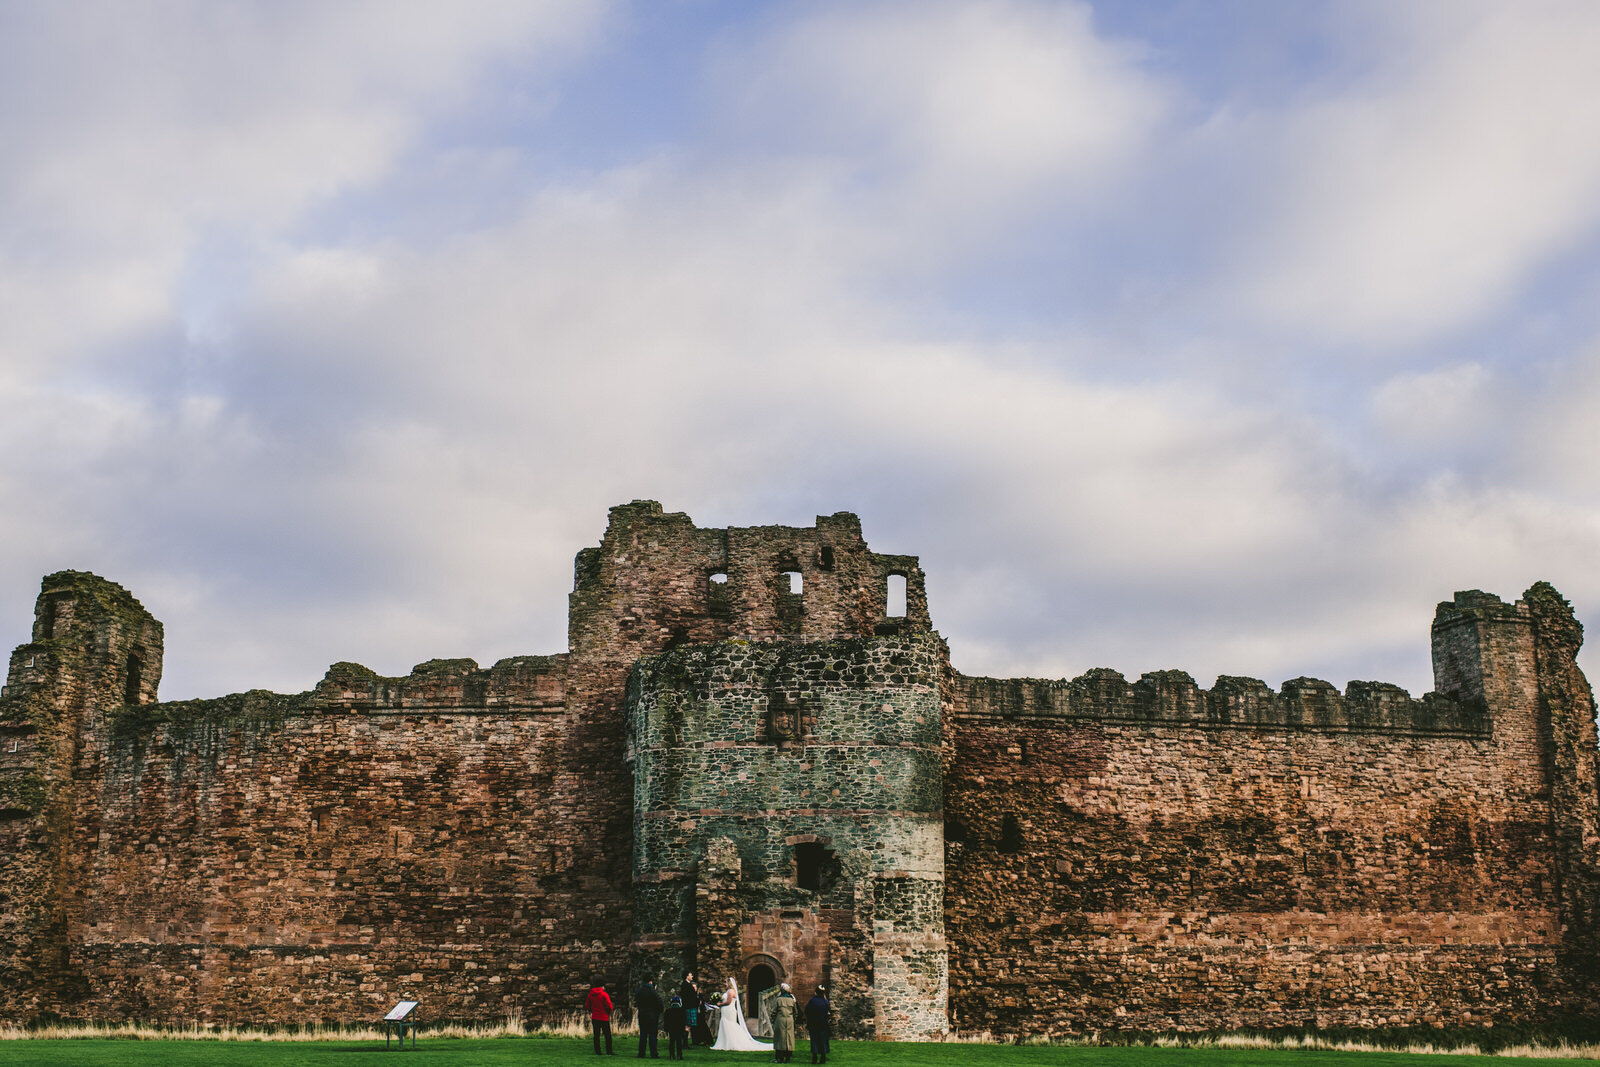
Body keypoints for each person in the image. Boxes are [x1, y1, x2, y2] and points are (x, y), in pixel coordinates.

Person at [710, 976, 772, 1052]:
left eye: (726, 982)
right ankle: (726, 1042)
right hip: (728, 1010)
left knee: (729, 1024)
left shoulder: (730, 991)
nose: (725, 984)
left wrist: (720, 1004)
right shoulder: (731, 991)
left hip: (728, 1009)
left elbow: (728, 1002)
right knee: (727, 1024)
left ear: (729, 983)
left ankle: (730, 1043)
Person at [636, 979, 665, 1059]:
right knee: (652, 1035)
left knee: (643, 1035)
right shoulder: (653, 991)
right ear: (650, 981)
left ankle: (641, 1053)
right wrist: (658, 1011)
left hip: (642, 1014)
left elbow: (636, 1001)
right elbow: (659, 1002)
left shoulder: (640, 991)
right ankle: (654, 1053)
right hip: (652, 1015)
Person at [769, 983, 798, 1064]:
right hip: (790, 1020)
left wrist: (773, 1020)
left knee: (779, 1039)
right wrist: (793, 1020)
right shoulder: (792, 1000)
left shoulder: (779, 999)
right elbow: (796, 1012)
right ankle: (788, 1058)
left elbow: (774, 1011)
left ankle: (779, 1058)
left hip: (780, 1020)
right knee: (789, 1039)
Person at [587, 982, 615, 1055]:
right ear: (602, 986)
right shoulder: (604, 994)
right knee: (607, 1036)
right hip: (604, 1017)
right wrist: (608, 1013)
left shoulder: (591, 995)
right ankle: (609, 1051)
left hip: (595, 1017)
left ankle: (598, 1051)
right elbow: (609, 1006)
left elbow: (587, 1005)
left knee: (596, 1035)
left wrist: (592, 1011)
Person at [804, 987, 829, 1065]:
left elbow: (807, 1011)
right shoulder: (825, 1001)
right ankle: (823, 1057)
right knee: (822, 1041)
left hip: (814, 1024)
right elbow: (828, 1011)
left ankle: (814, 1058)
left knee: (814, 1041)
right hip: (823, 1024)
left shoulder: (812, 1001)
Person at [681, 973, 704, 1046]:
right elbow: (691, 997)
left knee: (688, 1025)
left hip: (689, 1006)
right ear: (687, 976)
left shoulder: (686, 984)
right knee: (687, 1025)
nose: (692, 976)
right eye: (691, 975)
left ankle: (685, 1043)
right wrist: (698, 1002)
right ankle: (685, 1044)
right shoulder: (686, 985)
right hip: (689, 1007)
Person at [663, 995, 689, 1060]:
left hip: (671, 1028)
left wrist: (666, 1028)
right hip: (679, 1028)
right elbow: (684, 1020)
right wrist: (684, 1028)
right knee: (679, 1041)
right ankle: (679, 1055)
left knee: (671, 1041)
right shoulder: (682, 1011)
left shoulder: (668, 1011)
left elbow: (666, 1021)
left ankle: (671, 1055)